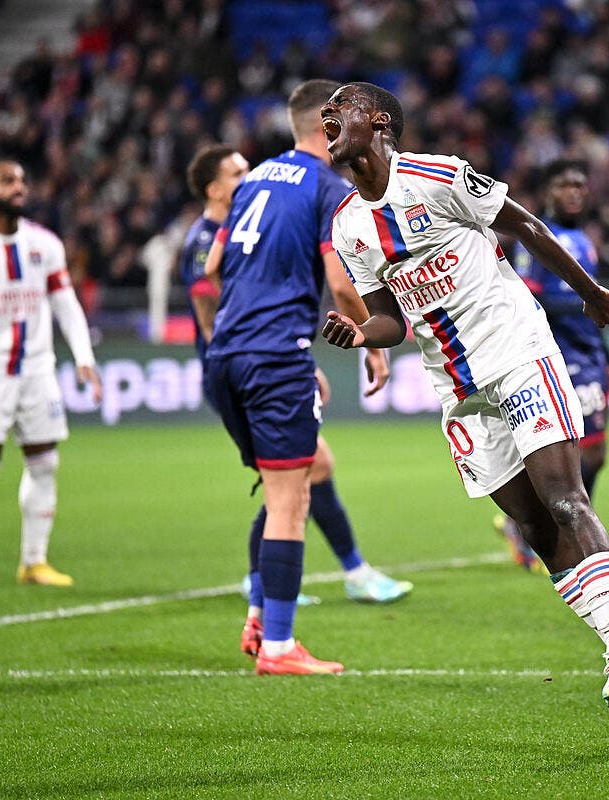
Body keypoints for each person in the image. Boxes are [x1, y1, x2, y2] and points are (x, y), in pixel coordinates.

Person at [319, 82, 609, 738]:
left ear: (378, 120)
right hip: (458, 390)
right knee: (537, 531)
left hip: (516, 349)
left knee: (566, 500)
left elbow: (525, 226)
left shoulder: (437, 175)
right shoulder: (347, 226)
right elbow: (391, 322)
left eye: (339, 108)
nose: (327, 118)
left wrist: (590, 293)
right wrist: (357, 332)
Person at [198, 80, 406, 677]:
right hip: (272, 357)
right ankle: (281, 647)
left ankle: (262, 614)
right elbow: (341, 284)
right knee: (293, 498)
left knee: (297, 472)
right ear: (328, 121)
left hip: (228, 357)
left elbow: (213, 269)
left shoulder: (253, 178)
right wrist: (372, 340)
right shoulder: (326, 186)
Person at [0, 160, 102, 590]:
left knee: (45, 463)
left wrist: (84, 356)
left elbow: (65, 302)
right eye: (8, 181)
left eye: (23, 181)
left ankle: (34, 561)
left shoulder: (44, 243)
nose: (19, 188)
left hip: (38, 370)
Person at [494, 160, 609, 573]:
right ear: (548, 192)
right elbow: (532, 299)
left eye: (580, 184)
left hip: (589, 356)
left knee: (597, 453)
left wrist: (608, 358)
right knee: (570, 450)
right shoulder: (535, 238)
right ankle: (536, 527)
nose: (574, 191)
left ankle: (570, 521)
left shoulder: (584, 239)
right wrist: (585, 299)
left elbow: (593, 307)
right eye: (564, 184)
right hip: (557, 354)